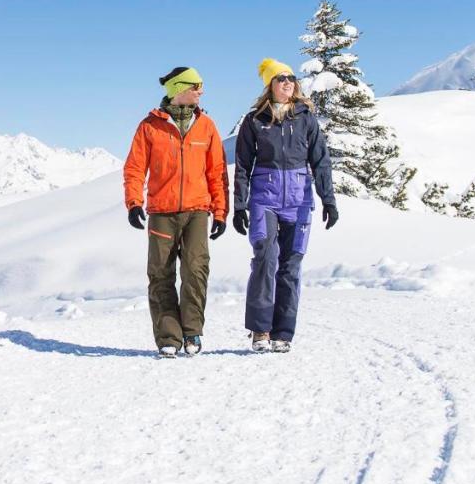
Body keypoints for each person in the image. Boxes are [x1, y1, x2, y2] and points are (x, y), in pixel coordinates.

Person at [232, 58, 338, 353]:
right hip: (264, 198)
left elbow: (321, 161)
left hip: (299, 200)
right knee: (265, 259)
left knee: (290, 266)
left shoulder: (306, 118)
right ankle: (260, 331)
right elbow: (242, 164)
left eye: (291, 78)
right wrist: (240, 205)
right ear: (270, 86)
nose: (288, 83)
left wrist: (327, 199)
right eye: (281, 79)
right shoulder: (255, 120)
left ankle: (283, 333)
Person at [123, 67, 229, 358]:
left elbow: (217, 172)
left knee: (196, 270)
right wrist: (133, 202)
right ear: (178, 89)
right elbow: (134, 168)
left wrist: (220, 212)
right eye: (196, 85)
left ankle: (192, 330)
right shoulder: (150, 126)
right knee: (160, 274)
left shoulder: (206, 125)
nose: (201, 91)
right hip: (162, 211)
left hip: (197, 210)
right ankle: (169, 337)